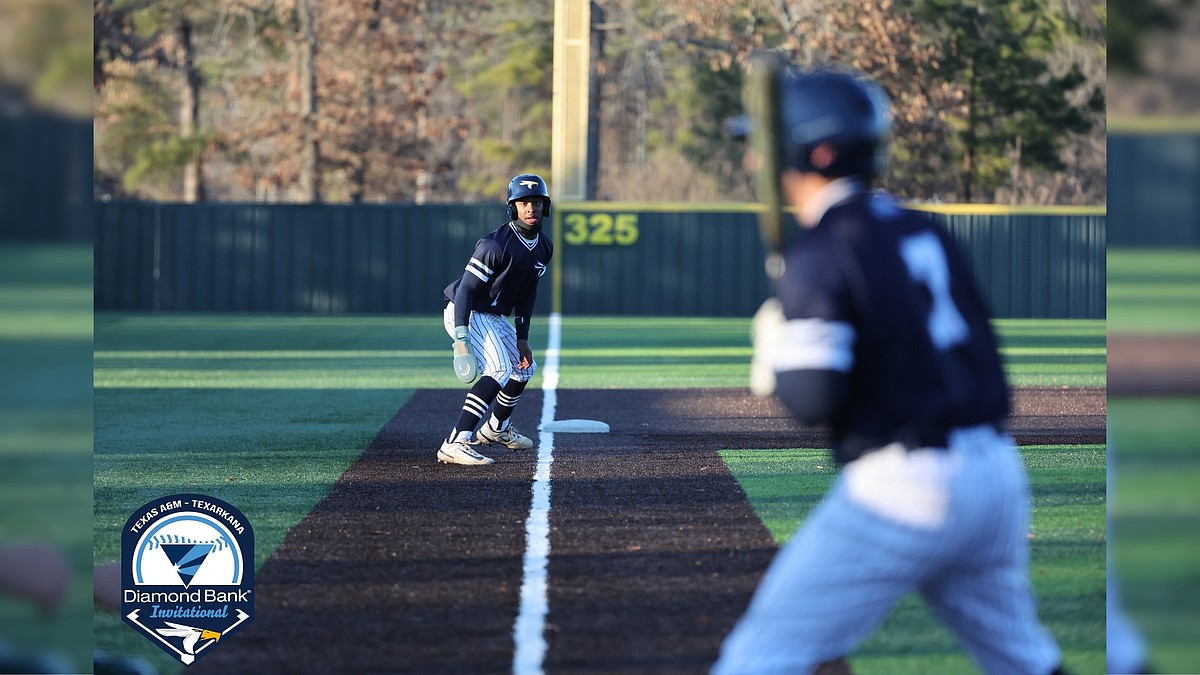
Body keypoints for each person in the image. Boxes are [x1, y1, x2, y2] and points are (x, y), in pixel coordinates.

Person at [713, 63, 1067, 674]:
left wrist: (778, 355)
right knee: (1025, 661)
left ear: (816, 150)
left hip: (908, 488)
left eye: (764, 147)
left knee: (760, 656)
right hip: (996, 475)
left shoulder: (824, 247)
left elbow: (813, 399)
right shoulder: (919, 228)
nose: (753, 162)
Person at [436, 173, 554, 465]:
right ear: (512, 207)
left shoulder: (544, 246)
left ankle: (495, 429)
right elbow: (466, 290)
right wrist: (461, 338)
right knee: (499, 368)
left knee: (524, 369)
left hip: (494, 315)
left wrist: (522, 338)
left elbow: (528, 292)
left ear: (545, 206)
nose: (530, 208)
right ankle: (455, 441)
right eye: (523, 202)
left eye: (536, 202)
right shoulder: (495, 245)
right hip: (467, 310)